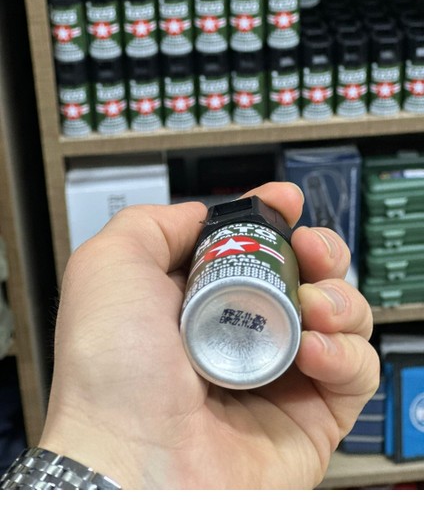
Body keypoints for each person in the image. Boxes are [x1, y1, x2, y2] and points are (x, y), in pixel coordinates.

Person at [1, 182, 380, 490]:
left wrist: (107, 457)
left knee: (321, 313)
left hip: (259, 360)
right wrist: (115, 441)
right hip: (219, 338)